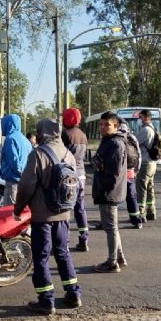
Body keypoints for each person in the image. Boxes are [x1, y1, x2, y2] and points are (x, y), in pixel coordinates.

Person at [14, 118, 82, 315]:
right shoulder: (68, 154)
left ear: (41, 132)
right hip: (63, 214)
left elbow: (26, 186)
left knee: (41, 257)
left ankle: (46, 300)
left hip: (42, 218)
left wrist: (18, 209)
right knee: (63, 253)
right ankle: (74, 294)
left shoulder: (38, 154)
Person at [91, 111, 128, 273]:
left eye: (107, 124)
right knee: (111, 227)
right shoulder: (109, 141)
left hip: (109, 192)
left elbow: (113, 173)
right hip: (109, 191)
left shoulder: (115, 144)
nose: (103, 127)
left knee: (110, 228)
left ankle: (112, 262)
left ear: (116, 126)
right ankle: (119, 257)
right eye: (101, 124)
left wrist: (104, 190)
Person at [62, 107, 90, 251]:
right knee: (80, 208)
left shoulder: (65, 134)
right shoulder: (83, 135)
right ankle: (84, 238)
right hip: (81, 175)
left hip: (69, 176)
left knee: (65, 208)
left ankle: (64, 242)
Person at [0, 114, 32, 206]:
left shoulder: (10, 139)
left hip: (14, 182)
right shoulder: (25, 140)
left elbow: (14, 162)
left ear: (8, 124)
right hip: (25, 183)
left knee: (10, 214)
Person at [118, 119, 143, 229]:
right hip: (130, 171)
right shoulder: (132, 137)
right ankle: (137, 221)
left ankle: (108, 222)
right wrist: (136, 170)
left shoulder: (114, 137)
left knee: (111, 198)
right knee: (132, 197)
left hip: (118, 173)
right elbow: (139, 155)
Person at [136, 109, 159, 221]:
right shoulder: (153, 128)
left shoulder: (145, 130)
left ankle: (141, 214)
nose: (139, 119)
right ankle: (151, 211)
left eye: (140, 117)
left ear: (145, 117)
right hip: (152, 163)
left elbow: (135, 142)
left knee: (141, 189)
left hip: (145, 163)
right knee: (150, 188)